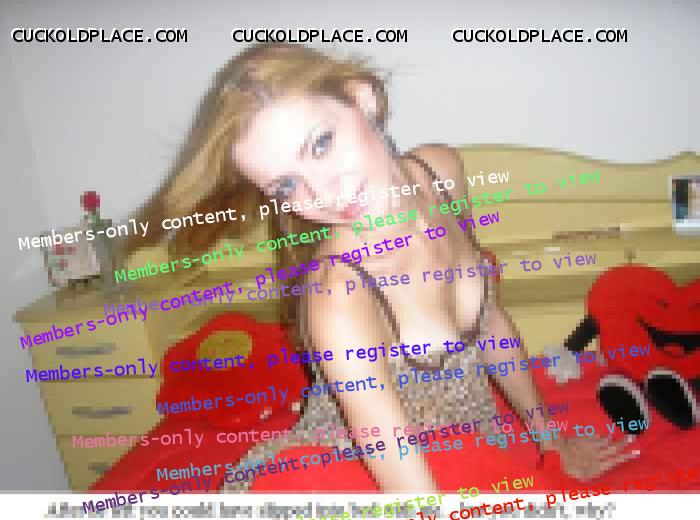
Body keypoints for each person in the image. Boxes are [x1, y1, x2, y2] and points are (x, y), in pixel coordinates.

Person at [126, 43, 638, 492]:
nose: (323, 194)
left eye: (321, 144)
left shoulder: (441, 172)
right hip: (361, 470)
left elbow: (490, 322)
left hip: (469, 445)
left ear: (363, 99)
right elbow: (402, 475)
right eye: (286, 186)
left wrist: (549, 440)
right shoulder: (339, 294)